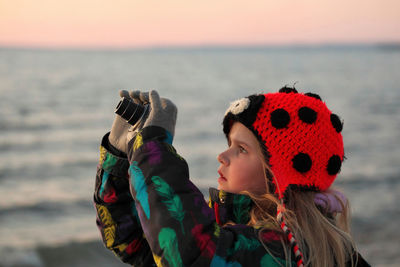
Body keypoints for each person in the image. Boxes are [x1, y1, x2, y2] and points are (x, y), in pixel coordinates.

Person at [93, 87, 370, 267]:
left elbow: (191, 253)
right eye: (229, 144)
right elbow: (137, 245)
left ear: (279, 174)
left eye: (241, 149)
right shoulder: (238, 229)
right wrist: (119, 158)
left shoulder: (286, 251)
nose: (222, 156)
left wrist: (153, 148)